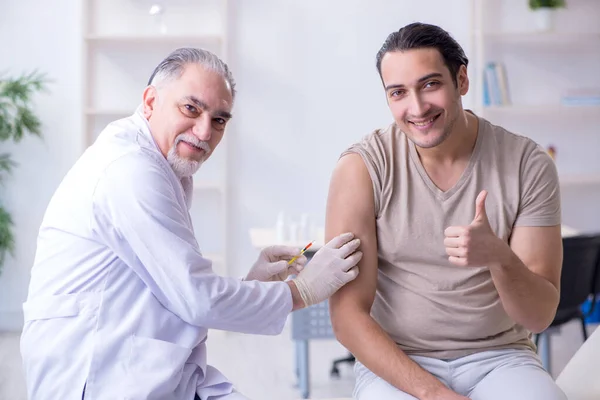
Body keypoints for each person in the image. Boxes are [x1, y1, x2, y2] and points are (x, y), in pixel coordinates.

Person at [20, 48, 362, 400]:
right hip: (98, 374)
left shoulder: (164, 166)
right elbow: (196, 299)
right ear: (151, 101)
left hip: (142, 364)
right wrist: (301, 291)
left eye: (219, 120)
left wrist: (253, 284)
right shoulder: (130, 170)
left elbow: (176, 289)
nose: (203, 132)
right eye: (191, 109)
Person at [326, 22, 566, 400]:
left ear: (462, 80)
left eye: (430, 85)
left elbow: (538, 316)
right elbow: (346, 317)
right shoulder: (361, 168)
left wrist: (499, 258)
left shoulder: (527, 164)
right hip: (398, 361)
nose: (417, 108)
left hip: (500, 357)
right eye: (398, 93)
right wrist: (435, 394)